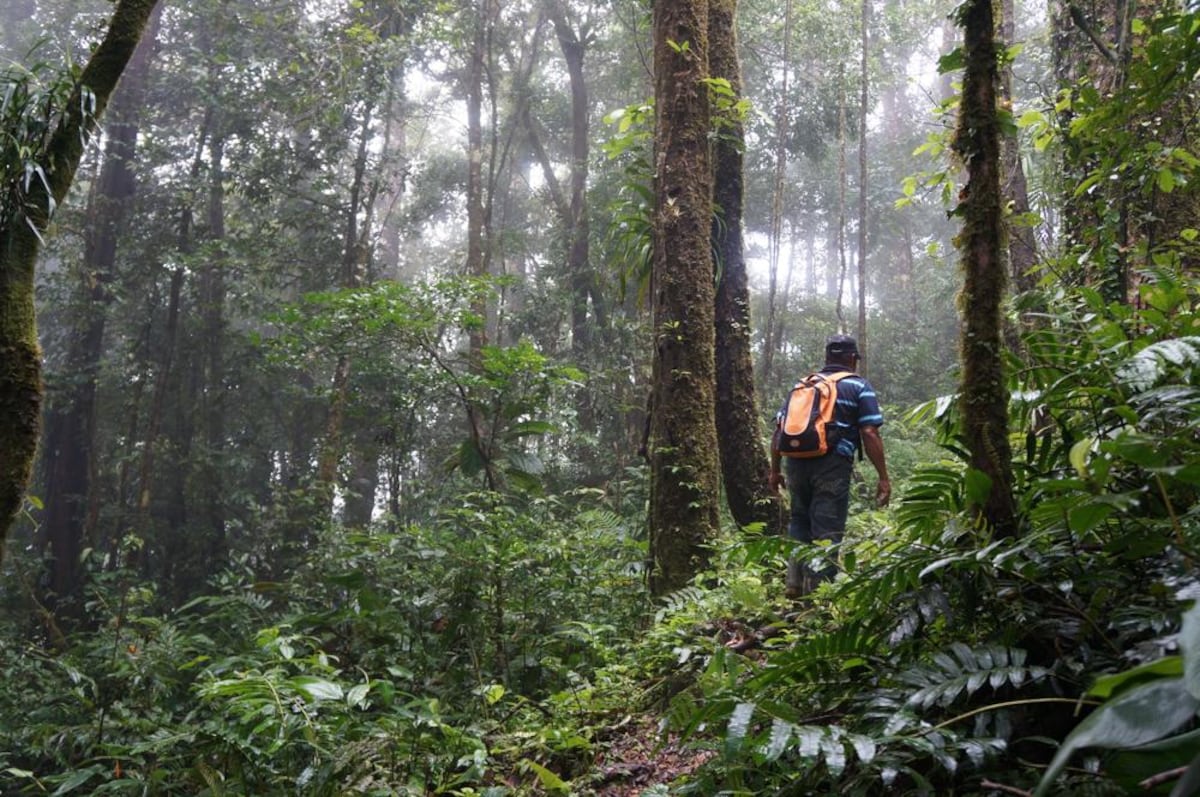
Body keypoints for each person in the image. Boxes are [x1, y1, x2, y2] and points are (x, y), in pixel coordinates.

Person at [768, 334, 891, 598]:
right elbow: (869, 432)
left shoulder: (802, 385)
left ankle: (794, 585)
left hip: (795, 464)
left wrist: (774, 470)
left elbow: (778, 432)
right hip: (832, 465)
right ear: (851, 359)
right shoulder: (859, 387)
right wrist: (883, 477)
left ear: (827, 357)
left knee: (799, 520)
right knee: (828, 526)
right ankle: (819, 595)